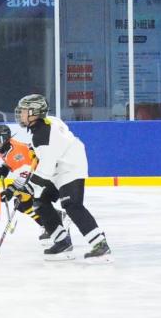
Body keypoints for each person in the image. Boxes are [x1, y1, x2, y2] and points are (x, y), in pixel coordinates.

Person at [15, 94, 112, 263]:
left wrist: (29, 187)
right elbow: (49, 153)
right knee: (40, 202)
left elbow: (46, 167)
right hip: (59, 168)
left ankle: (100, 245)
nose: (20, 114)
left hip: (70, 168)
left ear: (34, 112)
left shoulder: (42, 134)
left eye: (23, 111)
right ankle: (62, 242)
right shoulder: (49, 122)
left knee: (72, 205)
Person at [0, 124, 54, 236]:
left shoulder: (17, 151)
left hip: (43, 177)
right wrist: (5, 166)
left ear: (2, 139)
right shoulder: (5, 148)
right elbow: (18, 164)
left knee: (27, 203)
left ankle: (54, 223)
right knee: (24, 205)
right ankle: (50, 224)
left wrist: (11, 189)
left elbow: (27, 172)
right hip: (36, 176)